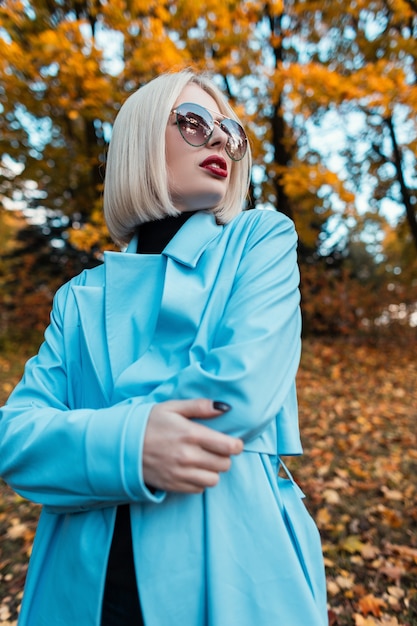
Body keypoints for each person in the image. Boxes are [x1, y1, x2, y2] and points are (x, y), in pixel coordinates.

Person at [0, 69, 328, 625]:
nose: (223, 139)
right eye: (195, 124)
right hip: (83, 586)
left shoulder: (259, 240)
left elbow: (236, 394)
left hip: (236, 564)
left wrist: (86, 442)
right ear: (142, 139)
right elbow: (15, 437)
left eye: (231, 131)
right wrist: (133, 442)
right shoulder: (79, 298)